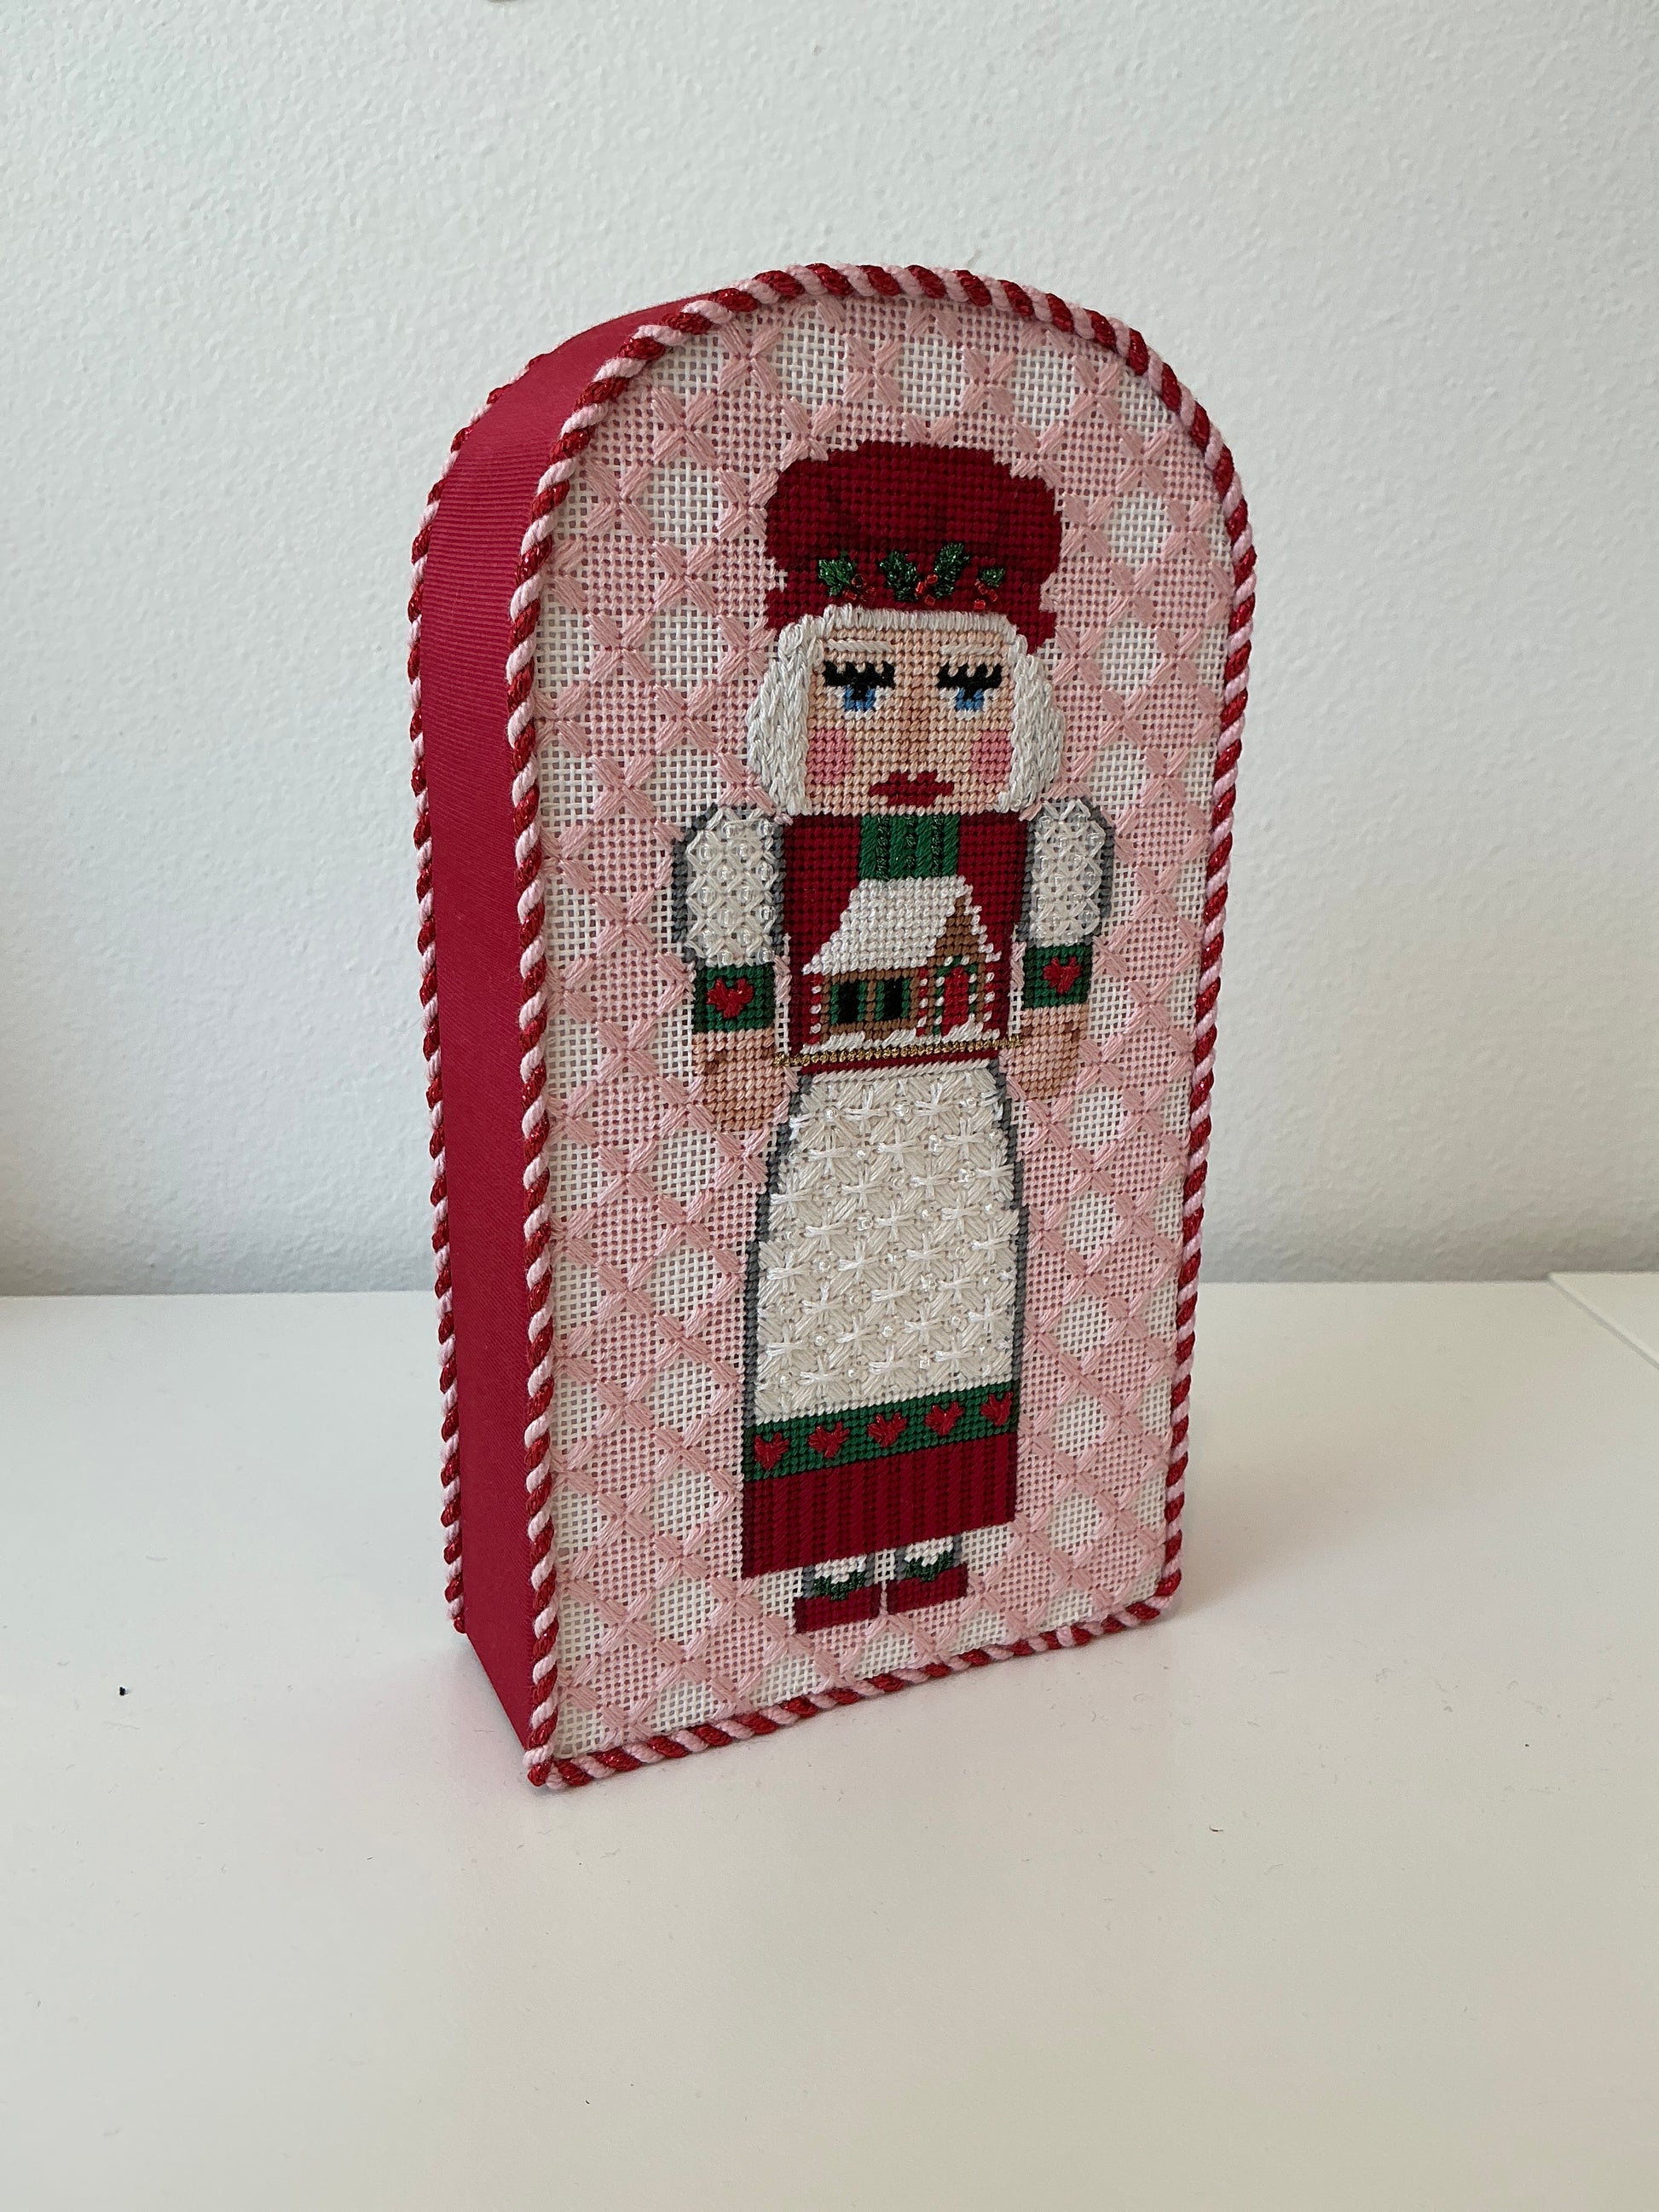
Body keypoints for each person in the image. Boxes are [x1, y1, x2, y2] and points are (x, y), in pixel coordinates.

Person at [674, 442, 1110, 1632]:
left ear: (1019, 708)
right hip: (838, 1119)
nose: (915, 738)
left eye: (968, 693)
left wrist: (1055, 1015)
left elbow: (1053, 964)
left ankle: (930, 1541)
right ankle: (827, 1558)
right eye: (861, 692)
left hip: (957, 1116)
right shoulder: (779, 851)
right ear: (796, 698)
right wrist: (735, 1041)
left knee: (956, 1302)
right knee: (824, 1308)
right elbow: (736, 941)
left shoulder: (1027, 849)